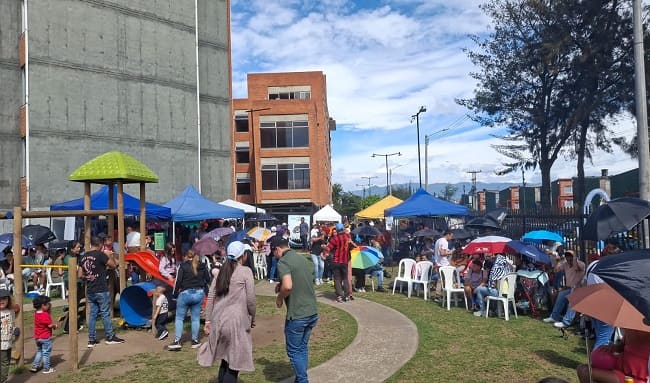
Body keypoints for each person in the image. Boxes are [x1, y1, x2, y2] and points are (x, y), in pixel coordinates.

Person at [202, 241, 256, 382]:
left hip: (218, 320)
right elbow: (250, 299)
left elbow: (211, 296)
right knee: (234, 364)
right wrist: (252, 316)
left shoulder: (220, 272)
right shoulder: (245, 271)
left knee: (225, 360)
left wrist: (208, 320)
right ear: (243, 256)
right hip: (235, 322)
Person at [272, 236, 318, 383]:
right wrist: (282, 284)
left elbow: (288, 286)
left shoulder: (283, 262)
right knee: (302, 348)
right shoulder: (302, 259)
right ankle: (300, 379)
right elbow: (301, 279)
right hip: (312, 311)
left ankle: (303, 380)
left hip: (297, 314)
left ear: (277, 249)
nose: (274, 256)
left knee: (293, 351)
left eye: (274, 253)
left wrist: (280, 297)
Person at [79, 236, 125, 347]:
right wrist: (110, 255)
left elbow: (80, 275)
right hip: (101, 288)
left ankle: (91, 339)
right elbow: (113, 265)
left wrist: (88, 277)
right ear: (100, 244)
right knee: (105, 313)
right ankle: (110, 336)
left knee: (93, 315)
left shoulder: (83, 256)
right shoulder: (100, 255)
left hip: (90, 289)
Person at [168, 249, 209, 351]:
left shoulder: (182, 266)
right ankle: (195, 341)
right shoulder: (203, 265)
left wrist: (174, 294)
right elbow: (207, 279)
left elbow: (178, 281)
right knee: (195, 318)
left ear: (186, 256)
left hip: (185, 294)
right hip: (199, 293)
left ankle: (177, 341)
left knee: (179, 318)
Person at [576, 328, 650, 383]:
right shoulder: (631, 327)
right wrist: (610, 348)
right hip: (621, 369)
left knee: (585, 372)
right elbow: (620, 347)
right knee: (582, 369)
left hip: (637, 378)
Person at [586, 239, 621, 348]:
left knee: (600, 334)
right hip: (606, 305)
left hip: (592, 303)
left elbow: (585, 281)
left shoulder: (593, 264)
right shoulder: (610, 268)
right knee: (603, 339)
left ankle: (600, 361)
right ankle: (594, 362)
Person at [542, 250, 585, 329]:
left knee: (572, 302)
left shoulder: (581, 264)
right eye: (567, 258)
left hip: (578, 288)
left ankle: (566, 322)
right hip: (568, 287)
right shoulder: (565, 264)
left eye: (570, 257)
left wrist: (574, 259)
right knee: (560, 297)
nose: (569, 260)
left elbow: (578, 268)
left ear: (574, 257)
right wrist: (558, 261)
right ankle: (554, 317)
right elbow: (555, 270)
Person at [29, 295, 57, 374]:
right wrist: (55, 325)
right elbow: (50, 325)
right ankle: (46, 368)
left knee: (39, 351)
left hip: (37, 338)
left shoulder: (36, 313)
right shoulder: (45, 315)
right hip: (45, 338)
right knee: (46, 353)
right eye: (48, 304)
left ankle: (35, 366)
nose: (49, 305)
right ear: (42, 305)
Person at [62, 240, 84, 333]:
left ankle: (75, 325)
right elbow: (75, 269)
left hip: (78, 282)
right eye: (77, 247)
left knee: (76, 304)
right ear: (71, 248)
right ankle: (68, 327)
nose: (79, 249)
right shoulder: (68, 258)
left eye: (80, 247)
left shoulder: (78, 257)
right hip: (71, 282)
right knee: (73, 304)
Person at [326, 223, 352, 303]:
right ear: (343, 229)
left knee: (337, 279)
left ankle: (339, 296)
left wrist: (324, 247)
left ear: (337, 230)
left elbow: (329, 248)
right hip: (345, 261)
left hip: (336, 261)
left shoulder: (335, 238)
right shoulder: (348, 237)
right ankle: (347, 295)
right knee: (345, 278)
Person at [0, 289, 17, 383]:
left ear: (8, 300)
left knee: (7, 362)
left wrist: (15, 330)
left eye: (4, 298)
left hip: (8, 341)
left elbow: (12, 324)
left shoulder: (10, 311)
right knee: (4, 363)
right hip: (1, 343)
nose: (1, 301)